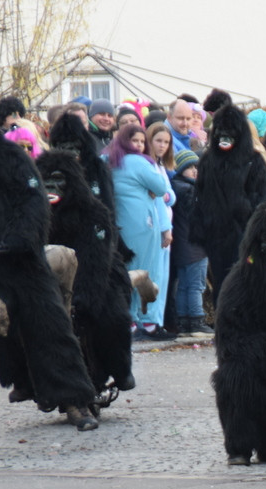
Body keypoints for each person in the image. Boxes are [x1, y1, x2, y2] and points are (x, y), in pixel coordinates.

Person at [107, 123, 177, 341]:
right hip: (144, 224)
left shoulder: (110, 160)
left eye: (140, 141)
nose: (138, 145)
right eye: (134, 141)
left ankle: (130, 321)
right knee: (149, 272)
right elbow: (161, 189)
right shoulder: (139, 161)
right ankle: (148, 323)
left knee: (128, 272)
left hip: (121, 224)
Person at [169, 149, 212, 337]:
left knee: (184, 286)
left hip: (182, 247)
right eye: (190, 167)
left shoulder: (177, 187)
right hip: (195, 247)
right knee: (196, 285)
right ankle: (196, 321)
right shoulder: (190, 190)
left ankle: (184, 322)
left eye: (197, 167)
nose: (195, 171)